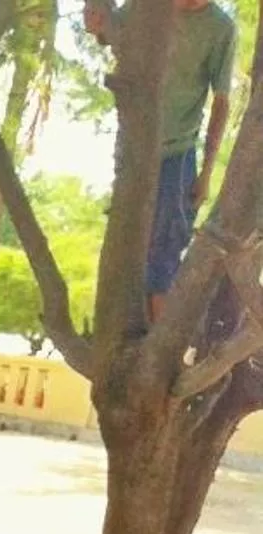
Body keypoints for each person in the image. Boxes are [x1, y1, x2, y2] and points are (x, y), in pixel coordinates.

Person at [83, 0, 237, 309]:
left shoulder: (221, 27)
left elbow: (221, 102)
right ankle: (123, 338)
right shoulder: (149, 6)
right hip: (132, 149)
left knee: (162, 262)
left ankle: (157, 347)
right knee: (127, 252)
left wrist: (206, 173)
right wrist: (97, 21)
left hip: (178, 155)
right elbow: (110, 31)